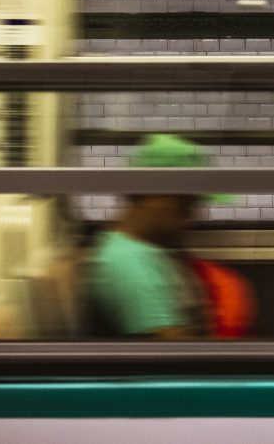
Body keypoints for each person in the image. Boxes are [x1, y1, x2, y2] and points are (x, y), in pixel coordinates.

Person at [86, 134, 211, 339]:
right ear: (152, 194)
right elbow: (178, 355)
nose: (190, 219)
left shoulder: (139, 251)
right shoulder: (129, 263)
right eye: (185, 205)